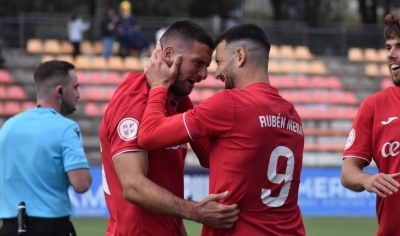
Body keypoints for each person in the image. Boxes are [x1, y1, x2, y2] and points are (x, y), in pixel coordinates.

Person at [138, 23, 306, 235]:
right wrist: (183, 97)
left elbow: (148, 135)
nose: (216, 73)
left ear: (239, 56)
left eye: (219, 62)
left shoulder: (232, 103)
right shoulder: (291, 115)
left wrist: (159, 86)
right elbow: (212, 156)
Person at [100, 20, 240, 236]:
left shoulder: (170, 102)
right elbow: (133, 186)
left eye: (207, 66)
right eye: (198, 63)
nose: (204, 75)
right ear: (168, 54)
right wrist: (195, 211)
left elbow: (207, 157)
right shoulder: (133, 100)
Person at [0, 60, 92, 236]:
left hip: (9, 227)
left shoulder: (8, 128)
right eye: (75, 87)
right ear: (60, 91)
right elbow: (81, 184)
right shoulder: (66, 128)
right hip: (51, 227)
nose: (78, 95)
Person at [341, 12, 400, 236]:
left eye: (399, 47)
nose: (391, 55)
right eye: (388, 47)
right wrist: (367, 179)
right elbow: (348, 172)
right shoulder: (374, 106)